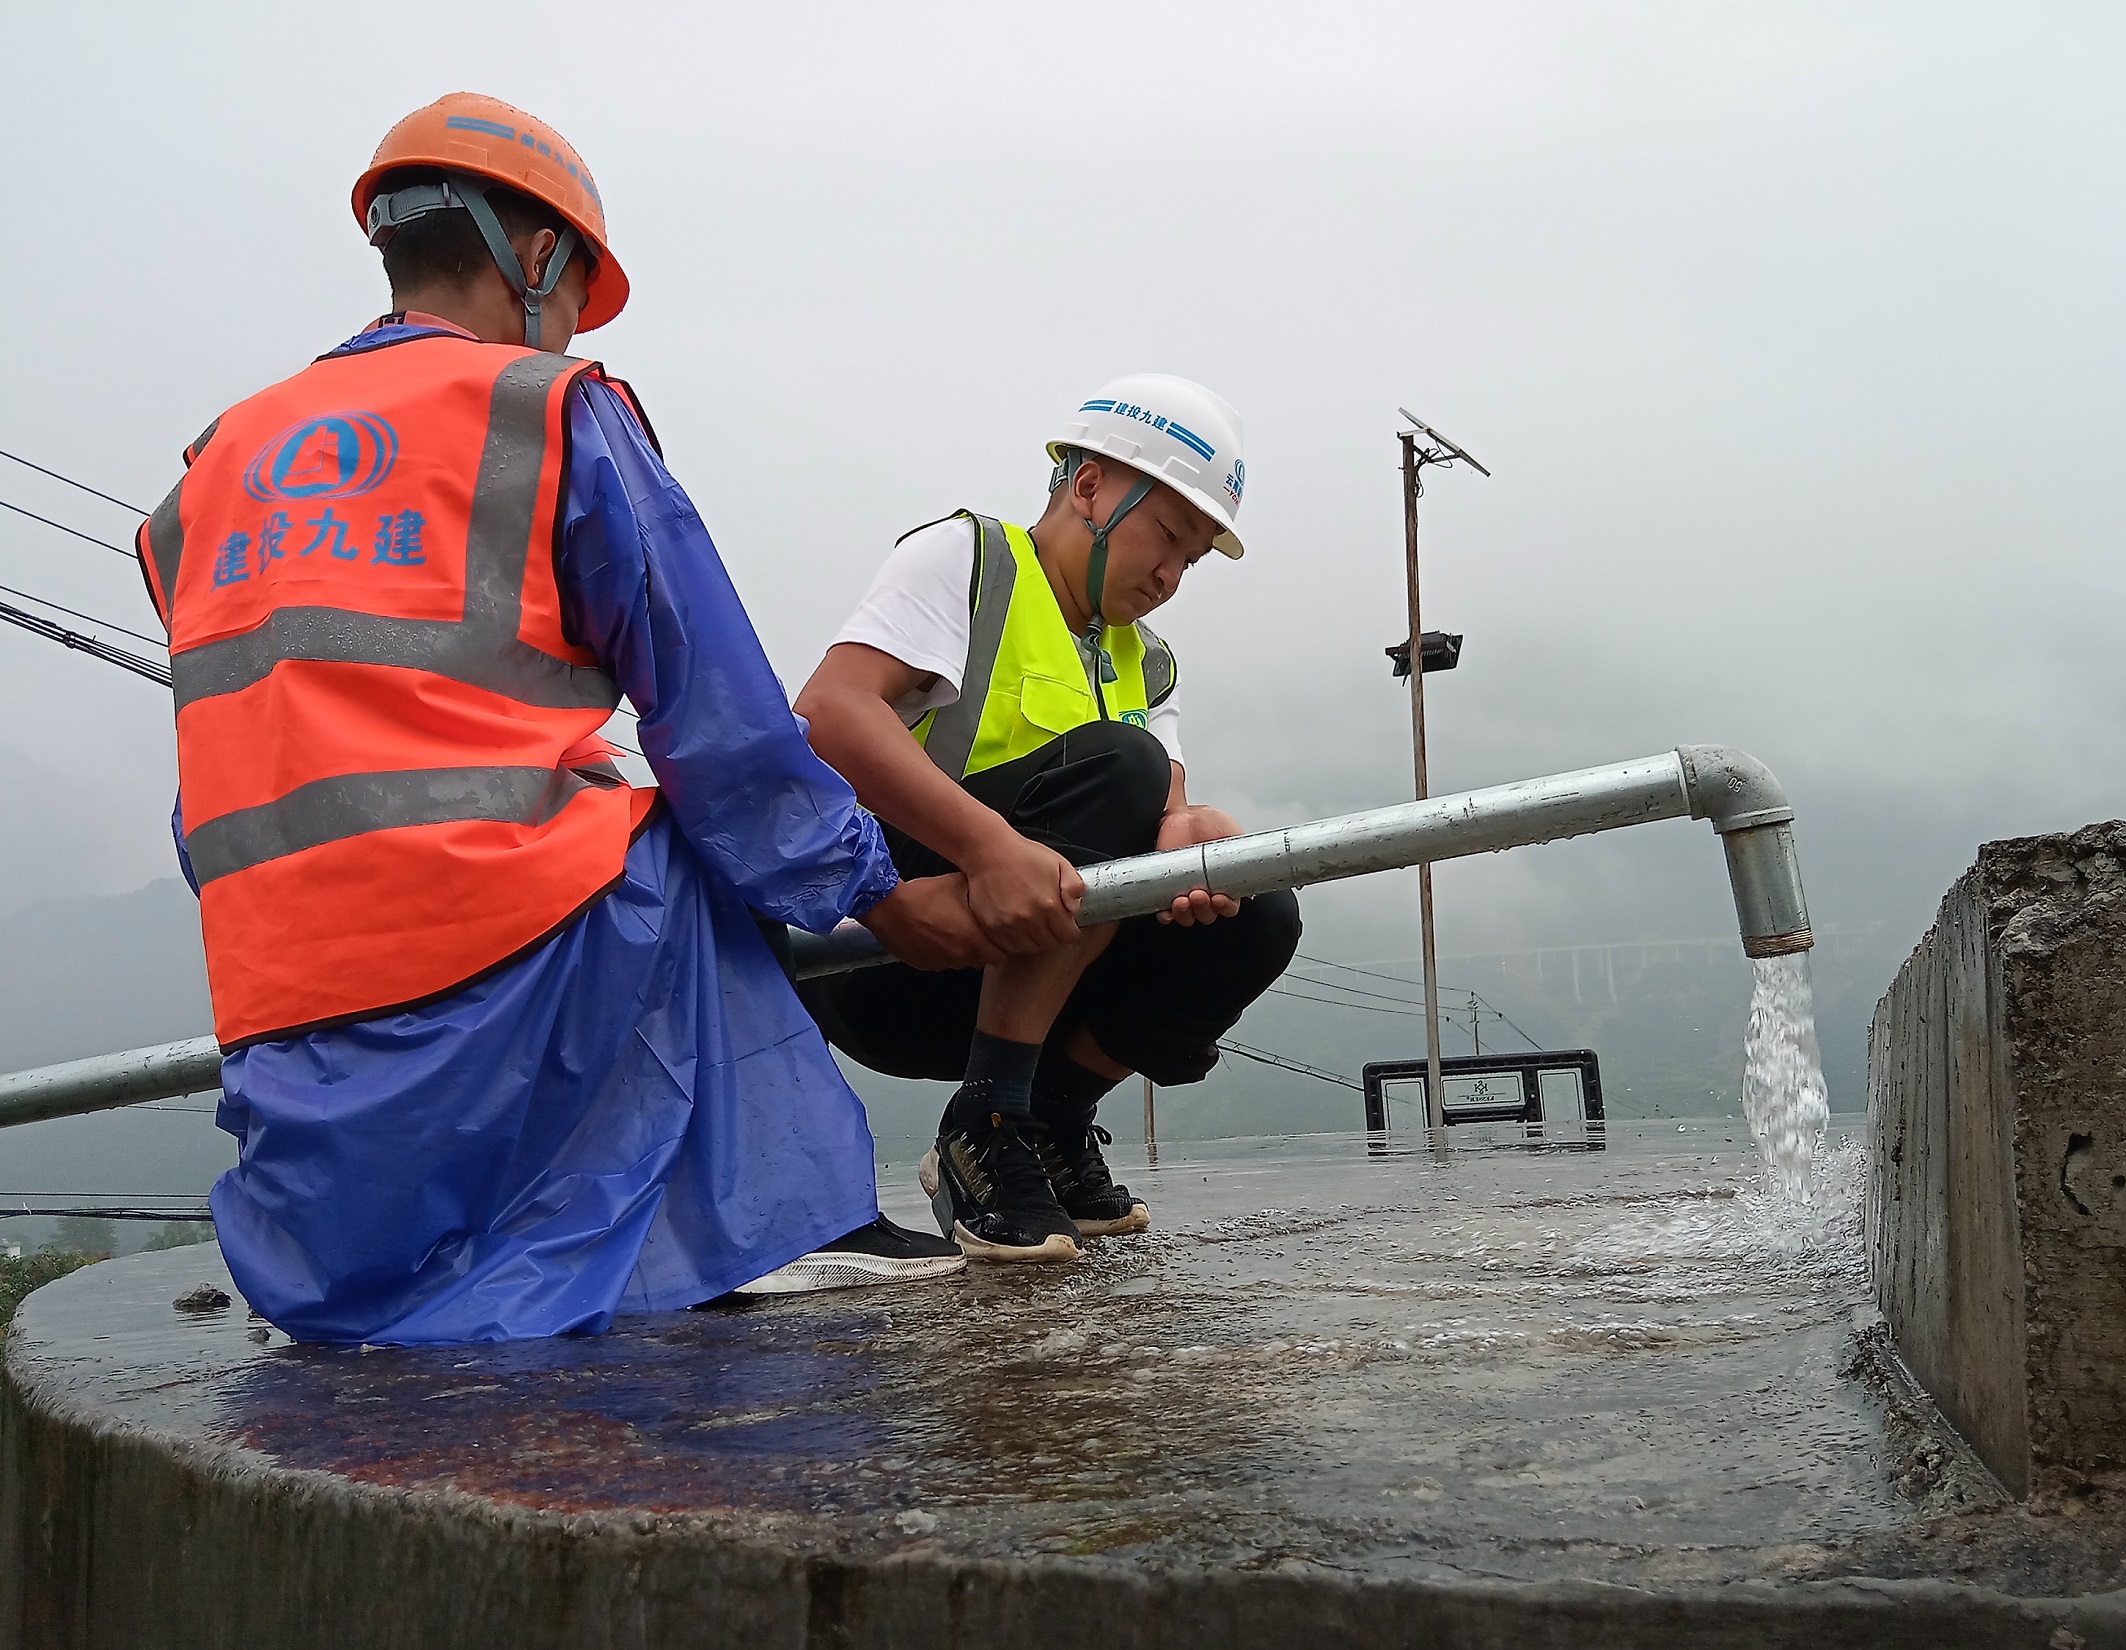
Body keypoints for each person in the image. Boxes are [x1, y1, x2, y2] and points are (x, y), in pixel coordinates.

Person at [133, 93, 987, 1344]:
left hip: (284, 1031)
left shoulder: (209, 470)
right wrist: (877, 892)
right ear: (538, 255)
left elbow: (245, 725)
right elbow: (725, 728)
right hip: (499, 990)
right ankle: (789, 1221)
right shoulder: (546, 409)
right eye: (578, 287)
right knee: (670, 832)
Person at [794, 376, 1303, 1263]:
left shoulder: (1148, 664)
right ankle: (983, 1119)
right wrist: (989, 849)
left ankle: (1044, 1121)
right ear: (1091, 485)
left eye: (1192, 560)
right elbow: (830, 714)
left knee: (1257, 908)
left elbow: (1163, 809)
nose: (1171, 576)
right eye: (1168, 538)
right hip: (888, 944)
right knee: (1122, 764)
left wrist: (1197, 838)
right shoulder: (971, 560)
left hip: (1033, 959)